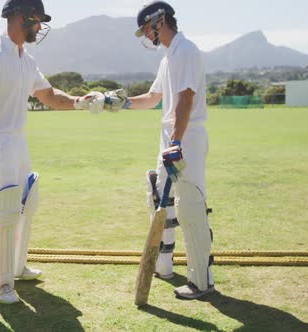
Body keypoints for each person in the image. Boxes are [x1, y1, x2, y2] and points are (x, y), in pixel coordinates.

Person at [0, 0, 112, 305]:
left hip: (17, 141)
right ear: (21, 17)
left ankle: (17, 267)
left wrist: (79, 101)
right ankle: (0, 283)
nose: (40, 27)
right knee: (5, 209)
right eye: (37, 20)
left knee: (26, 202)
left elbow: (47, 95)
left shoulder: (25, 59)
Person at [114, 1, 215, 299]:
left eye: (146, 28)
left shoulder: (186, 50)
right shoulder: (168, 57)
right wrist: (121, 102)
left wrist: (177, 141)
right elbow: (154, 97)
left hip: (187, 139)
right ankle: (164, 265)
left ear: (160, 21)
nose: (146, 35)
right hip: (171, 139)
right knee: (160, 199)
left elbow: (185, 98)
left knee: (190, 207)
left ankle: (202, 281)